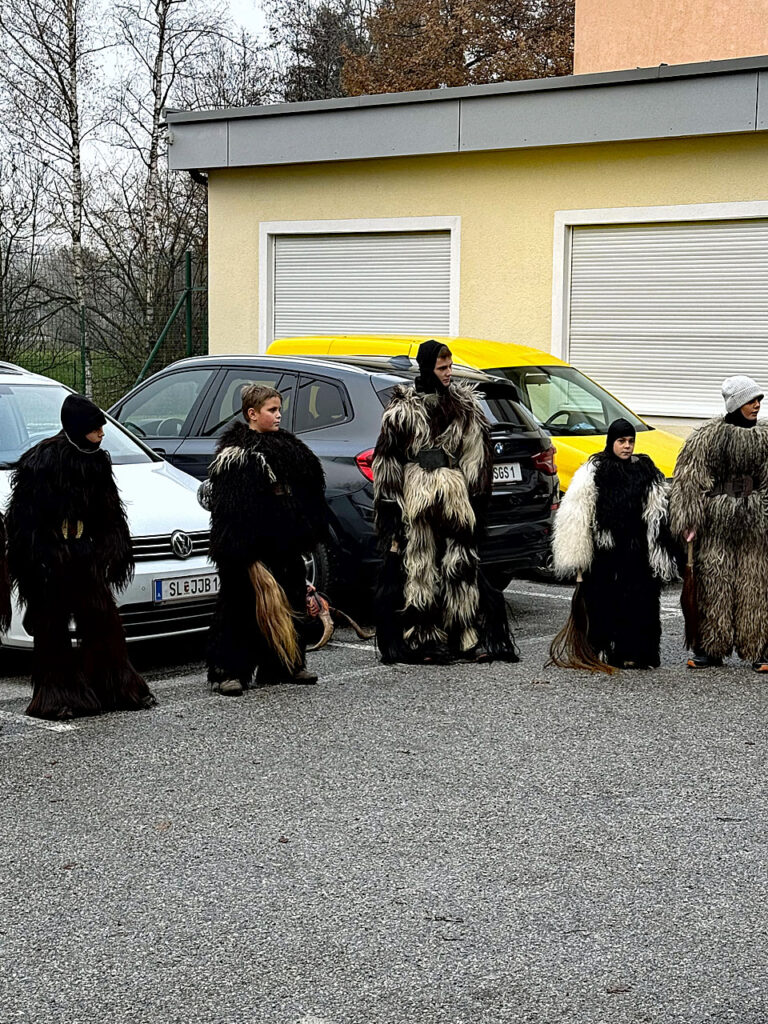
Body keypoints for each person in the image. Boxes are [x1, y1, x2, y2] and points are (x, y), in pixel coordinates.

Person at [5, 394, 156, 719]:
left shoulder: (98, 461)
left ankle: (116, 687)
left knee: (104, 622)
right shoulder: (42, 461)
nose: (101, 433)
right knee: (52, 630)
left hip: (85, 553)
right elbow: (23, 519)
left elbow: (110, 512)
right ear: (77, 428)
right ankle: (55, 697)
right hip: (52, 556)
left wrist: (111, 549)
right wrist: (39, 562)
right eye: (94, 428)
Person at [372, 339, 517, 664]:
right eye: (442, 368)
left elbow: (476, 456)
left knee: (460, 566)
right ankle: (423, 638)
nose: (449, 373)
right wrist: (391, 507)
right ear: (427, 369)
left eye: (450, 367)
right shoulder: (402, 411)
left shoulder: (464, 408)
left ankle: (465, 636)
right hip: (416, 497)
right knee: (420, 567)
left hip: (455, 497)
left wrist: (477, 501)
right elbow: (386, 461)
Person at [203, 384, 328, 694]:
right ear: (252, 413)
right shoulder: (236, 455)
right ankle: (228, 671)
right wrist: (238, 551)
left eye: (278, 409)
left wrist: (305, 529)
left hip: (284, 539)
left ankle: (286, 664)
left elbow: (309, 487)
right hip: (250, 544)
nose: (278, 415)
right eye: (272, 410)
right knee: (241, 606)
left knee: (291, 597)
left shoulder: (289, 447)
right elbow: (228, 510)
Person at [551, 417, 677, 670]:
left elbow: (657, 510)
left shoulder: (645, 471)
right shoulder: (594, 471)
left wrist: (659, 548)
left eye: (631, 441)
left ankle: (637, 653)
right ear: (611, 442)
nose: (627, 446)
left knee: (640, 603)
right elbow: (577, 514)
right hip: (606, 552)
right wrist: (577, 555)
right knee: (606, 602)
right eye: (622, 441)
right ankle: (601, 649)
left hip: (638, 551)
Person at [669, 375, 768, 671]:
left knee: (757, 584)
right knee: (714, 583)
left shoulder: (765, 438)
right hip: (716, 522)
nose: (757, 405)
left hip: (756, 521)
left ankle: (761, 649)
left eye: (759, 399)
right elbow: (689, 478)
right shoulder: (707, 437)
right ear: (736, 403)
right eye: (751, 400)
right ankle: (710, 648)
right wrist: (689, 519)